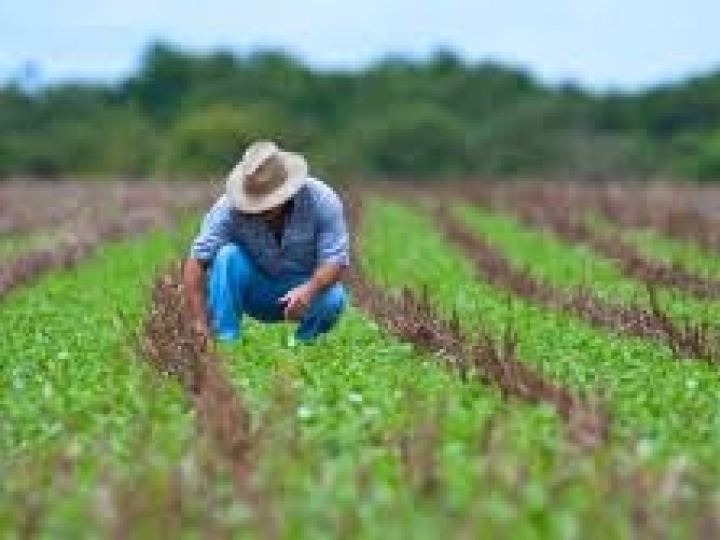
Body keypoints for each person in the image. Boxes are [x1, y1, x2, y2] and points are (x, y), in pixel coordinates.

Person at [184, 140, 349, 343]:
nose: (259, 209)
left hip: (304, 288)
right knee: (227, 256)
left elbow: (336, 260)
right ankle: (225, 341)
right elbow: (197, 261)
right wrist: (199, 323)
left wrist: (308, 290)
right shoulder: (227, 208)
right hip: (256, 289)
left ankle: (303, 346)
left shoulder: (321, 199)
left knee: (334, 298)